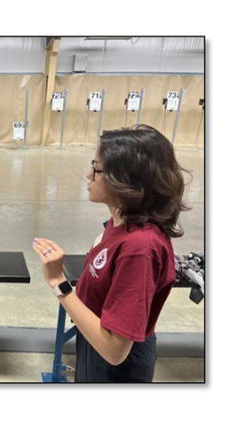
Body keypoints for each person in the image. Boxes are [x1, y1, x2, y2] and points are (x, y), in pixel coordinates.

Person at [32, 125, 189, 382]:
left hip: (116, 370)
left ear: (125, 179)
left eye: (96, 167)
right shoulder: (119, 223)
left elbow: (115, 350)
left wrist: (58, 283)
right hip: (93, 346)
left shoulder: (140, 248)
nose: (88, 174)